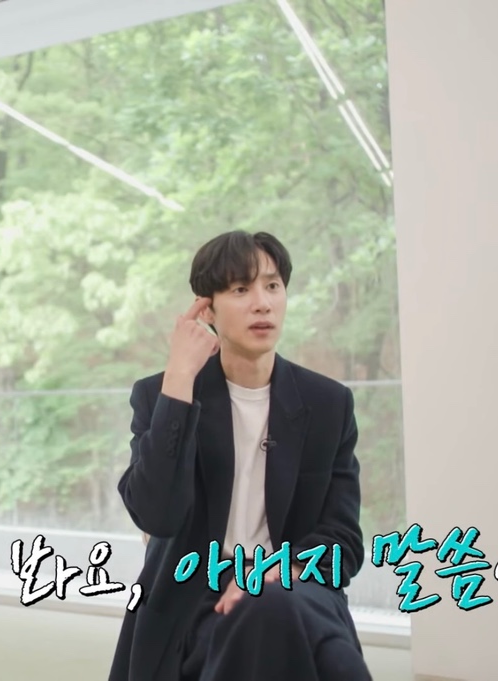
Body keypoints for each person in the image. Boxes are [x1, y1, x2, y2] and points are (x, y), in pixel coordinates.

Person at [108, 230, 371, 681]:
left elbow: (343, 542)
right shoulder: (162, 395)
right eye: (240, 289)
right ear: (207, 310)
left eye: (272, 286)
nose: (262, 303)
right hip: (196, 599)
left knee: (274, 608)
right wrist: (179, 379)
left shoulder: (328, 403)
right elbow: (157, 516)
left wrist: (272, 574)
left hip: (294, 584)